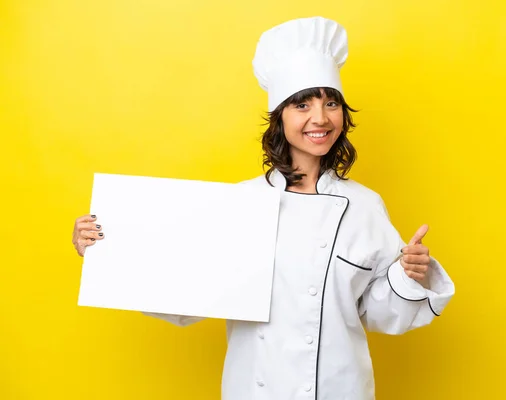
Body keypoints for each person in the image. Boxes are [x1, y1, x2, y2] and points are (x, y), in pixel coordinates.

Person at [71, 16, 455, 400]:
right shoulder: (241, 205)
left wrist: (407, 275)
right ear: (280, 117)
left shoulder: (364, 206)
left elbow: (376, 311)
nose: (320, 118)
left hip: (341, 388)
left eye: (331, 103)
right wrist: (107, 249)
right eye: (302, 104)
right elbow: (183, 297)